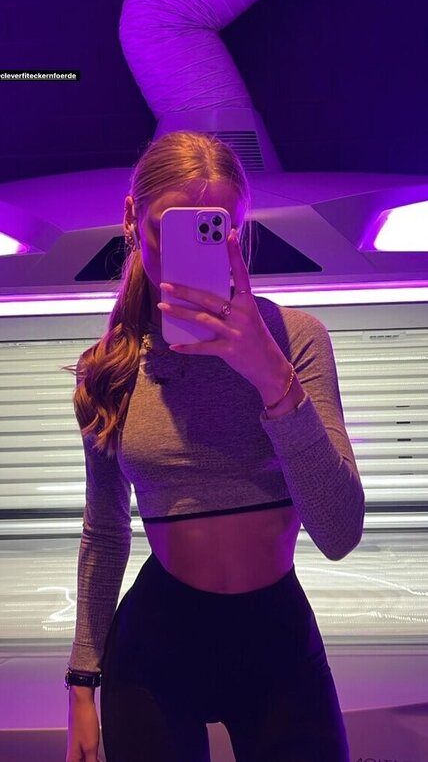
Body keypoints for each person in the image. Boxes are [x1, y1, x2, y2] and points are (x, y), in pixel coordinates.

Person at [65, 130, 365, 762]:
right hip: (155, 646)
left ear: (238, 230)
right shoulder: (110, 369)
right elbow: (106, 531)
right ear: (131, 218)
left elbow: (339, 532)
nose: (187, 254)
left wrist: (270, 375)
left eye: (215, 229)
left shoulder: (296, 340)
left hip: (276, 637)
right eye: (167, 230)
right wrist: (82, 684)